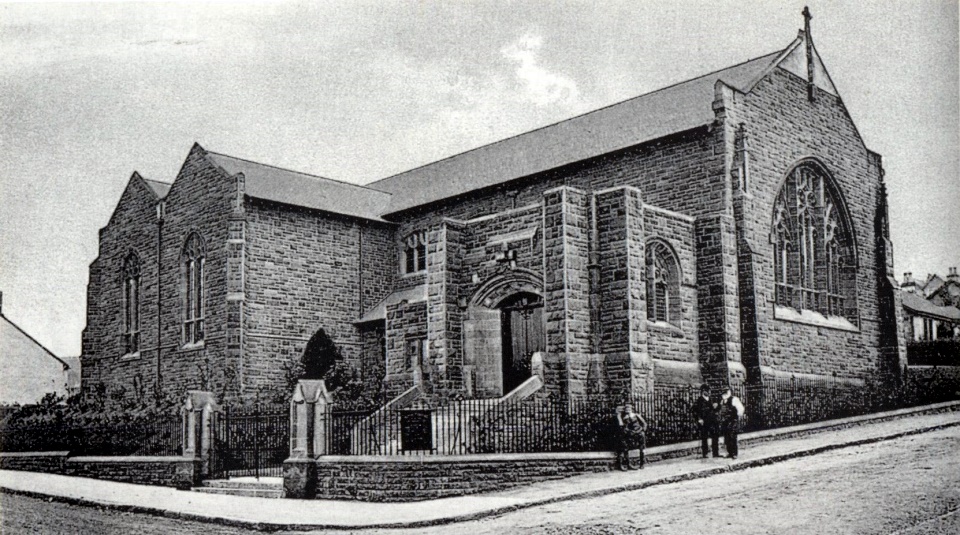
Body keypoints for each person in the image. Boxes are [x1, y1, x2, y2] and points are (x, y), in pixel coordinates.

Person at [616, 403, 647, 470]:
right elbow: (624, 427)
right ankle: (627, 464)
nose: (628, 410)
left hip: (640, 434)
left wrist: (642, 430)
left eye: (629, 409)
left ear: (631, 409)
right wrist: (629, 432)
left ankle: (642, 463)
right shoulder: (625, 418)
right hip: (632, 435)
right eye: (627, 409)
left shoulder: (636, 415)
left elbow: (644, 423)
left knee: (642, 449)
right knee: (626, 448)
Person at [692, 384, 719, 458]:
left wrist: (716, 407)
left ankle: (715, 453)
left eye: (709, 391)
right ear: (703, 391)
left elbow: (716, 409)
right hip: (704, 421)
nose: (709, 392)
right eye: (707, 391)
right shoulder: (699, 401)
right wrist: (699, 419)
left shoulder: (711, 399)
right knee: (704, 437)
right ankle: (705, 453)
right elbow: (694, 411)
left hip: (713, 421)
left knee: (715, 436)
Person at [719, 387, 745, 459]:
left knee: (733, 436)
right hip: (725, 421)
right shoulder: (722, 401)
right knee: (726, 437)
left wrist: (737, 417)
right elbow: (722, 411)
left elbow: (741, 409)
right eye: (723, 392)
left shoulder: (734, 399)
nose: (724, 394)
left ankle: (734, 453)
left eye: (726, 392)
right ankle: (729, 452)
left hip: (732, 420)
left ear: (729, 392)